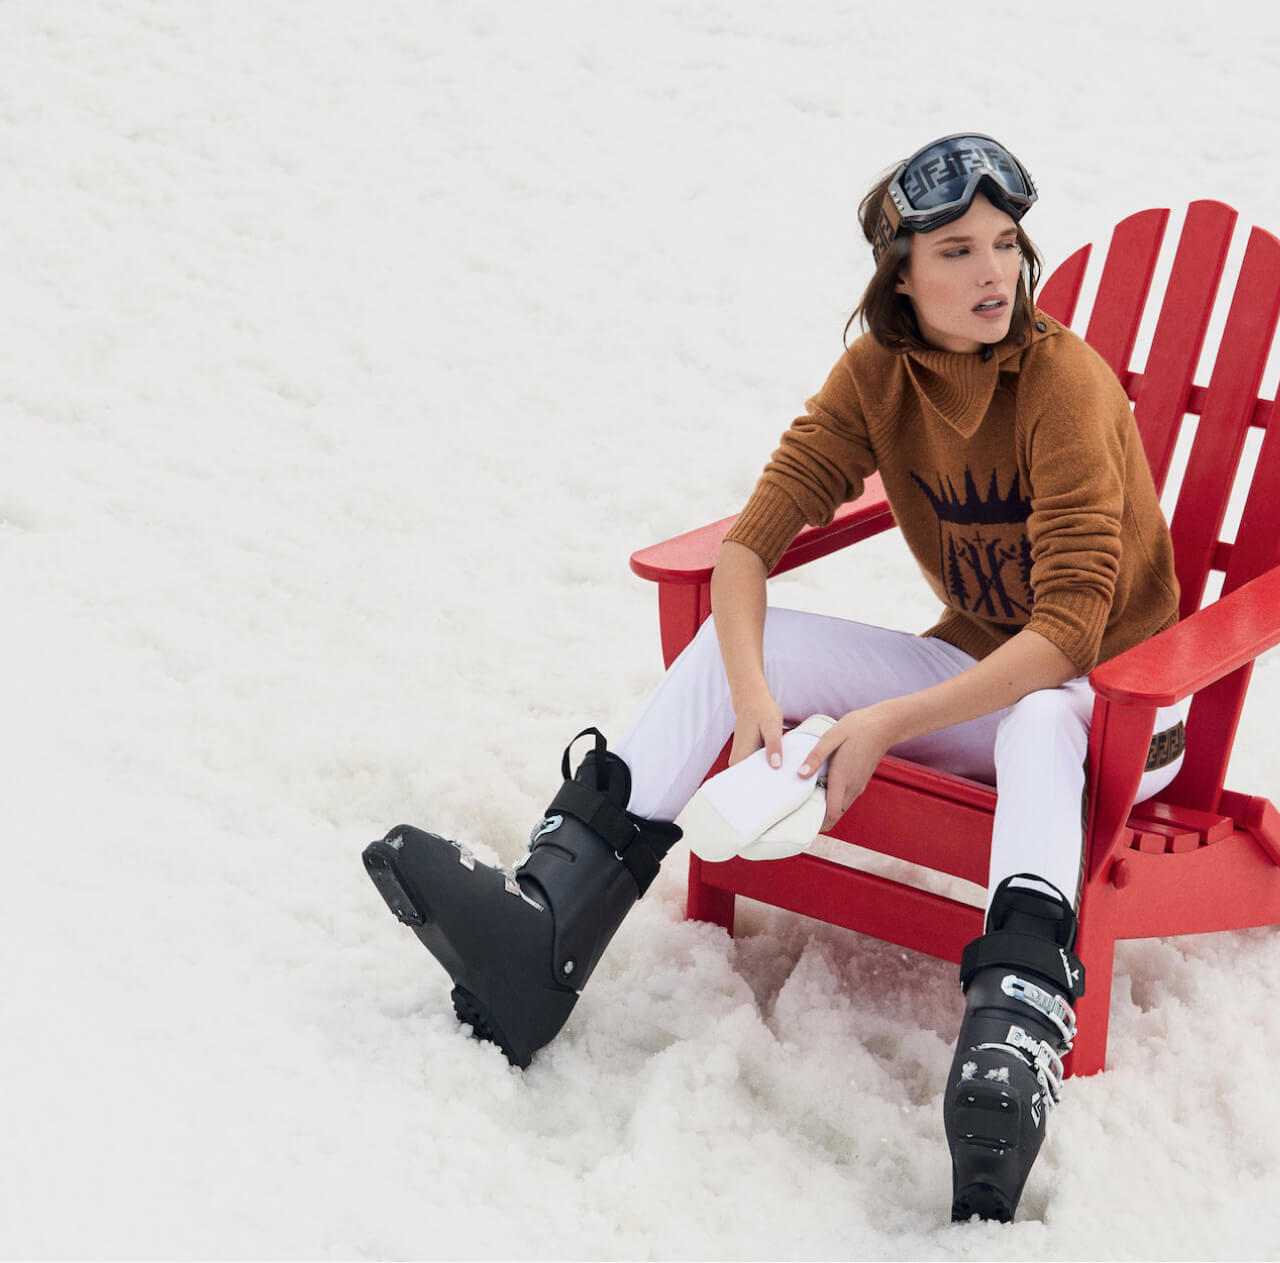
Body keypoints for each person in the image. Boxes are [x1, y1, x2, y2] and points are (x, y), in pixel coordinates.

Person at [362, 132, 1183, 1223]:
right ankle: (545, 930)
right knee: (753, 638)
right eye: (958, 251)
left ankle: (1014, 1039)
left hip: (1119, 703)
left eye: (1005, 245)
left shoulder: (1062, 384)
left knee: (1038, 718)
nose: (994, 273)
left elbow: (1075, 628)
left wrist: (886, 720)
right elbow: (749, 546)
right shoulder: (879, 376)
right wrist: (757, 698)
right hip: (981, 673)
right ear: (902, 274)